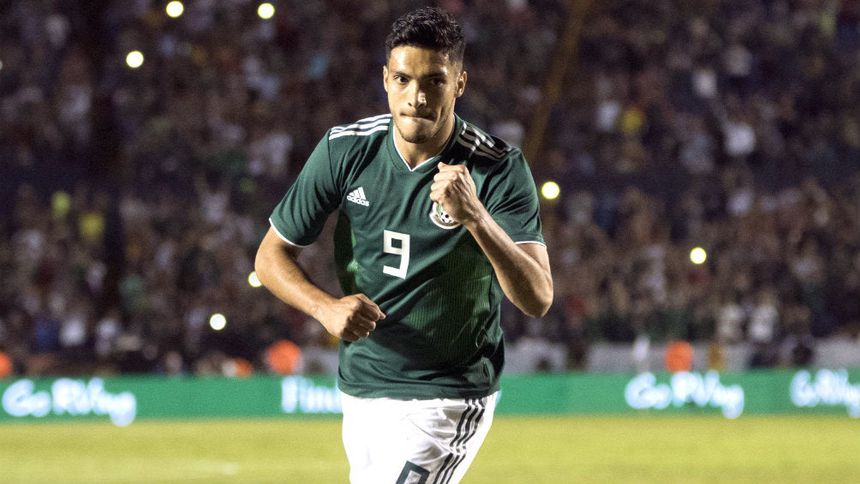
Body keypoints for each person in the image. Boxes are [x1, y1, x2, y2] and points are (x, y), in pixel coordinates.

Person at [255, 7, 552, 484]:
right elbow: (270, 255)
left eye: (435, 81)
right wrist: (324, 308)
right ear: (386, 80)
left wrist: (476, 217)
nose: (417, 97)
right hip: (362, 386)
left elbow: (537, 298)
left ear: (459, 84)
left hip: (448, 394)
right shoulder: (345, 150)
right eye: (403, 79)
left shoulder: (497, 167)